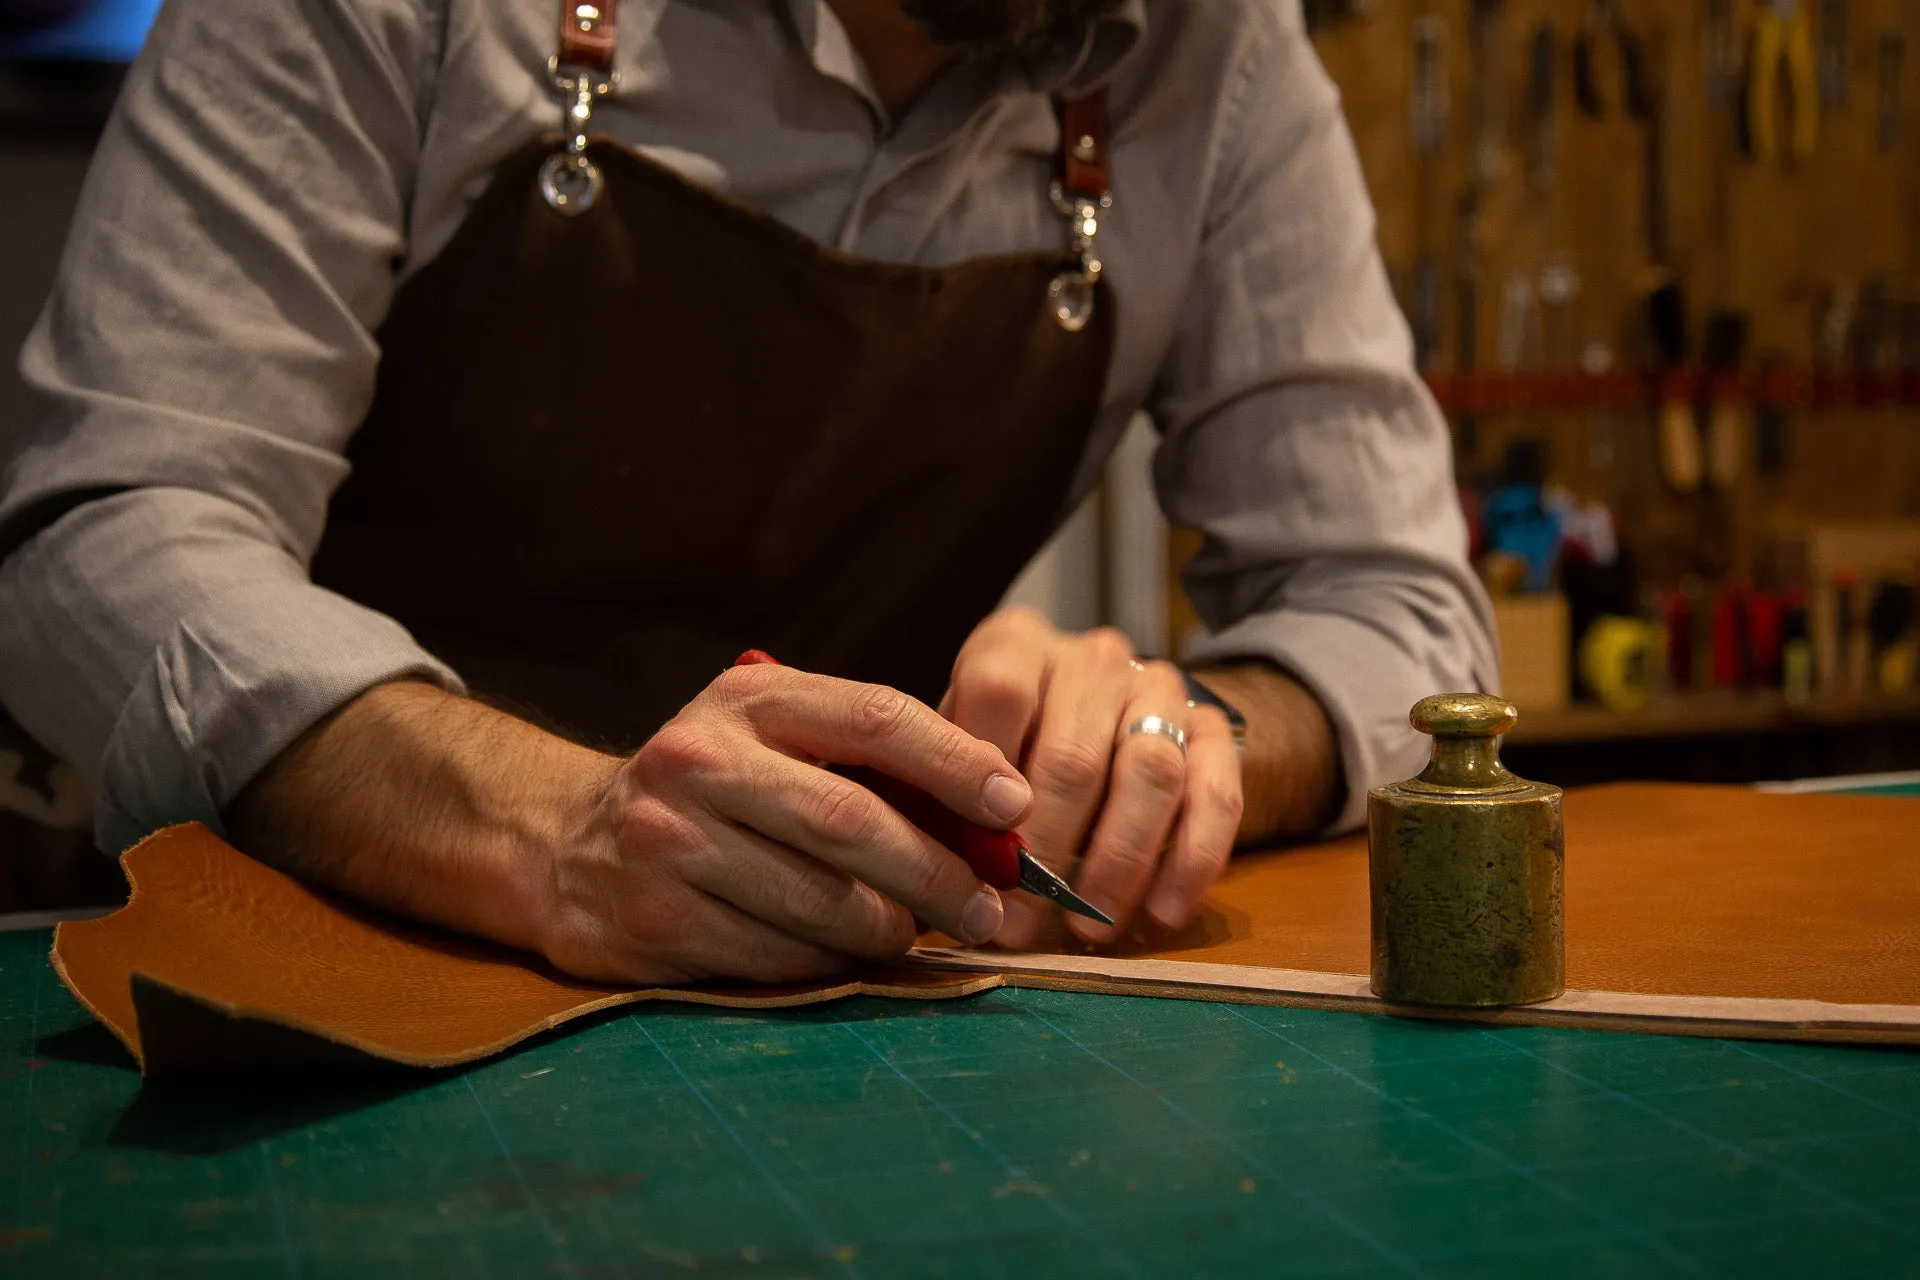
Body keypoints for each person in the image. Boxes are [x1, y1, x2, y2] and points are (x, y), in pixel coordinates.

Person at [0, 0, 1495, 984]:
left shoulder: (1211, 55)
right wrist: (556, 831)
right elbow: (107, 530)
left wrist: (1188, 744)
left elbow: (1398, 610)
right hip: (313, 982)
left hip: (822, 1003)